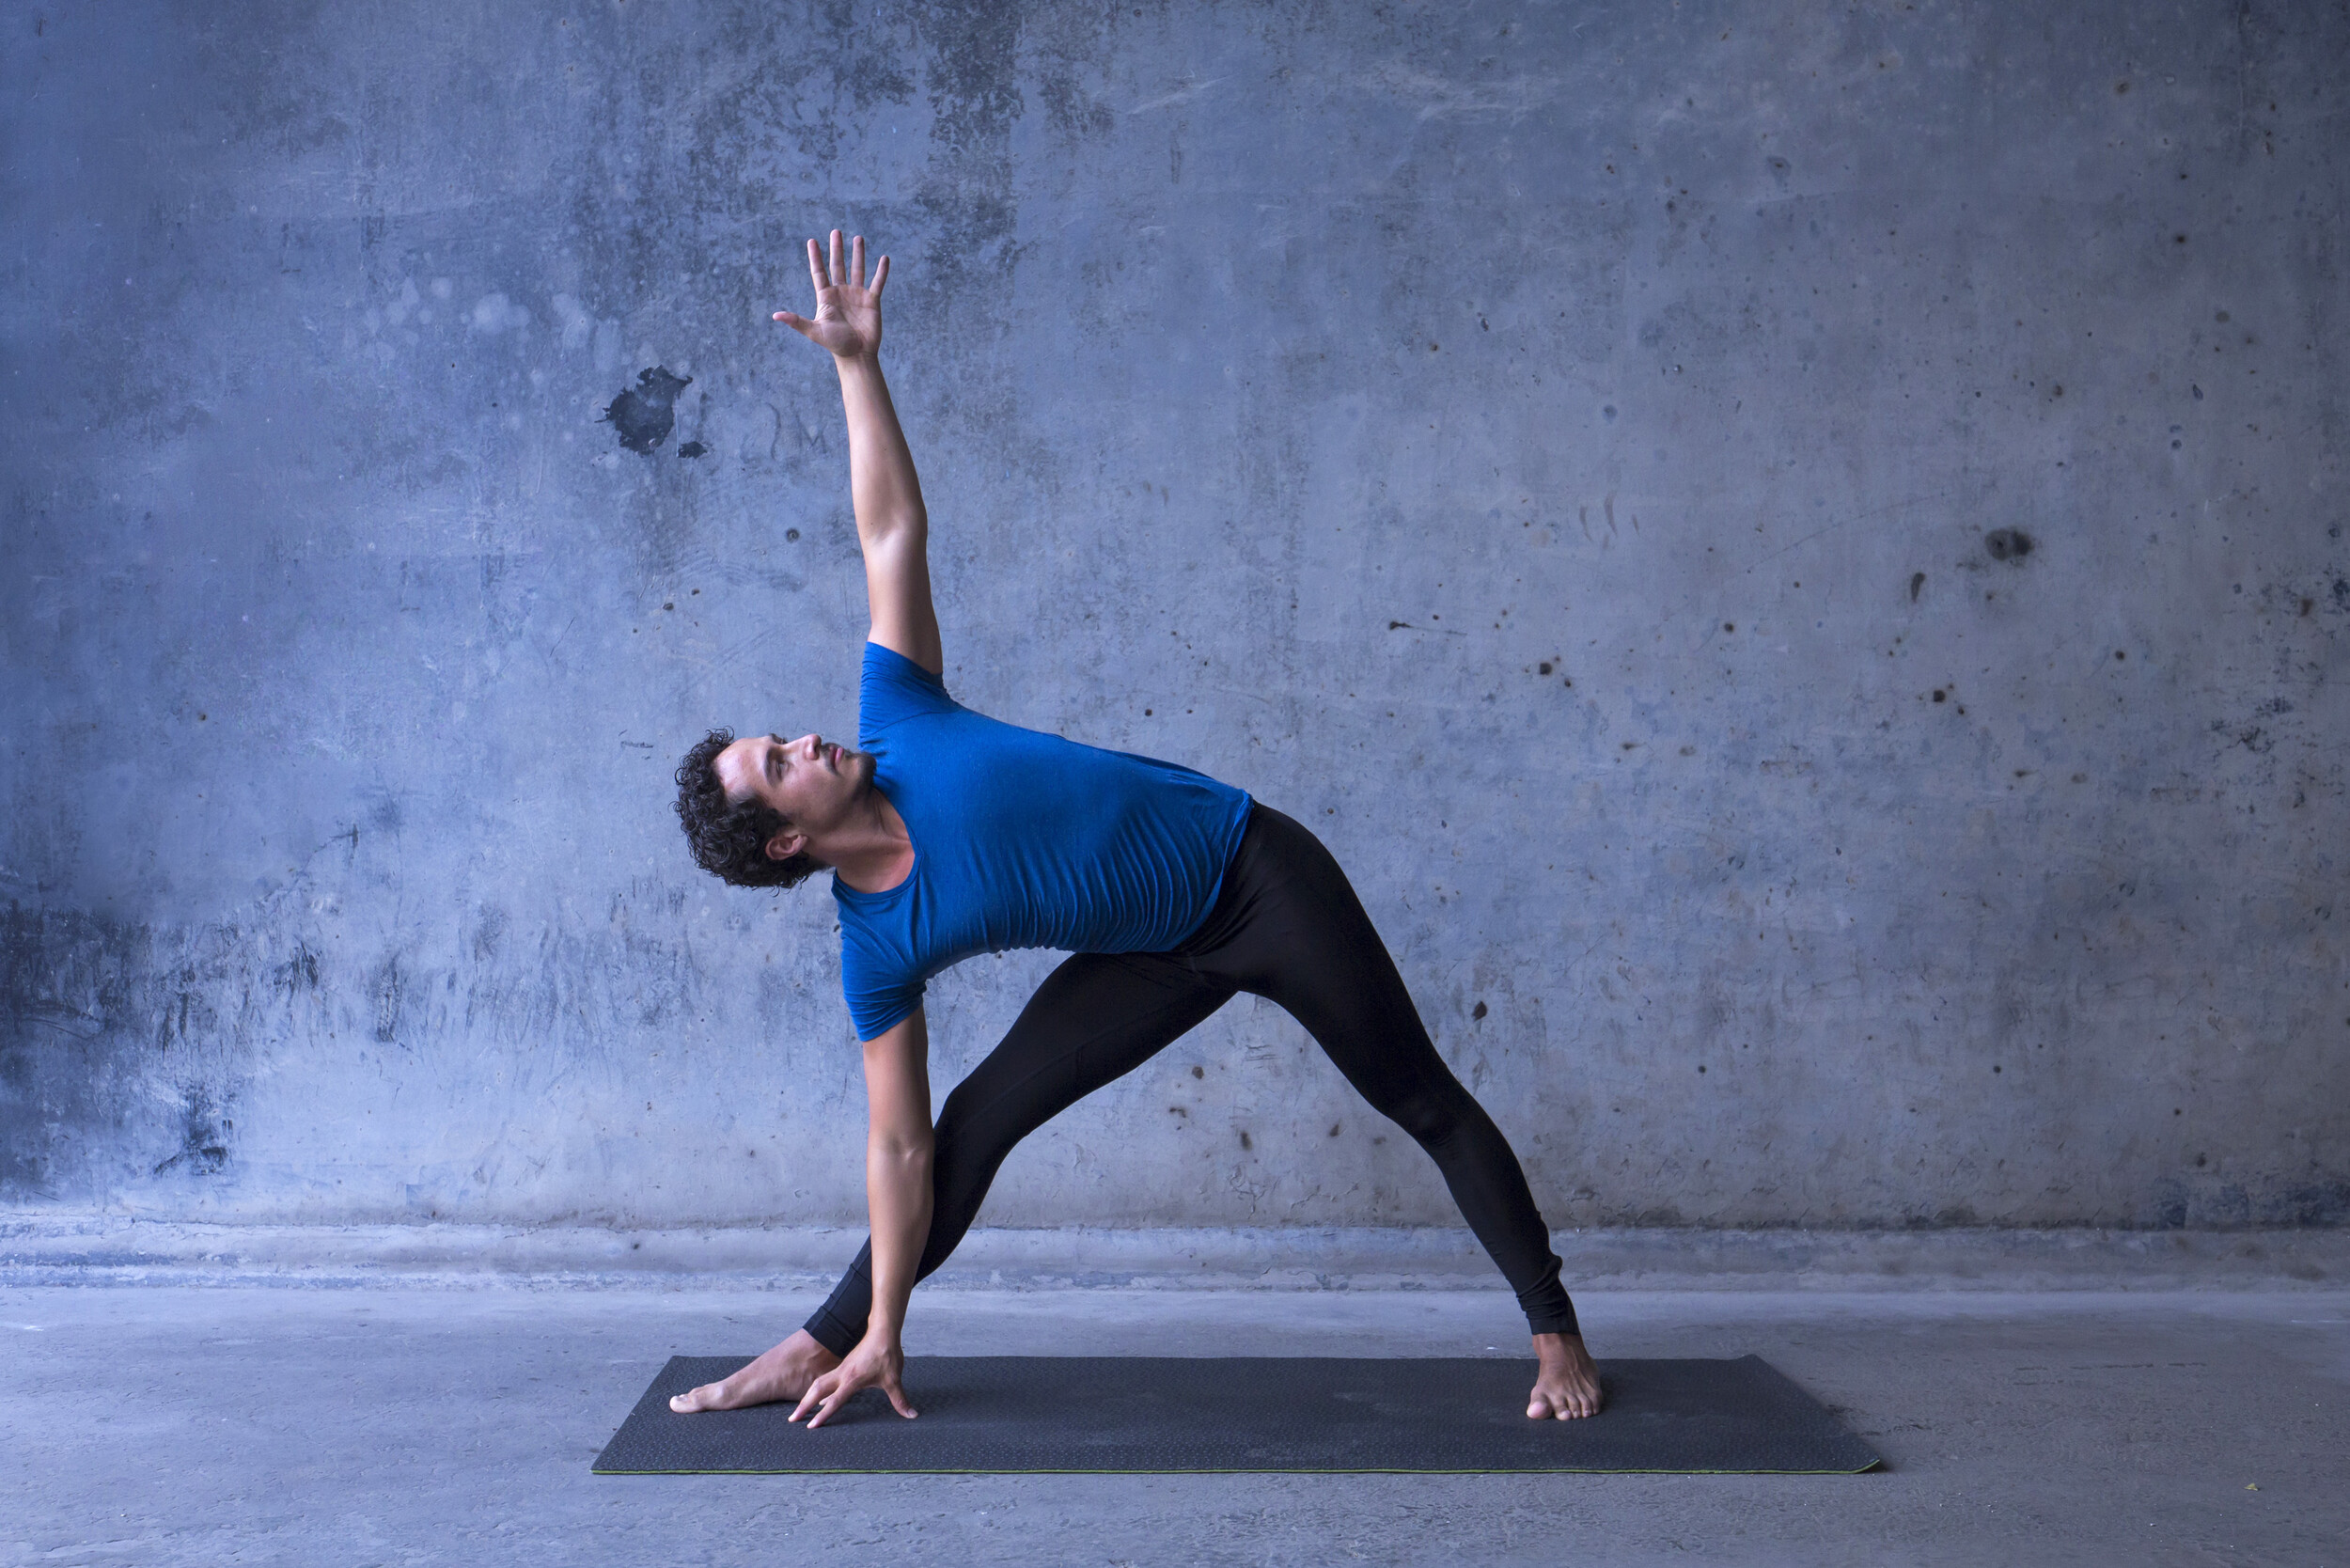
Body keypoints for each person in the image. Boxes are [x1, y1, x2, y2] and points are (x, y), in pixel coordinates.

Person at [667, 231, 1604, 1429]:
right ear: (785, 844)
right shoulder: (875, 946)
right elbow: (898, 1152)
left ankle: (1554, 1331)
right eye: (778, 767)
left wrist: (857, 368)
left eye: (782, 735)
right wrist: (886, 1327)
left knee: (1415, 1095)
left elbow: (890, 533)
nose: (802, 741)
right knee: (974, 1124)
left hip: (1255, 876)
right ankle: (818, 1344)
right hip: (1150, 957)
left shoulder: (897, 714)